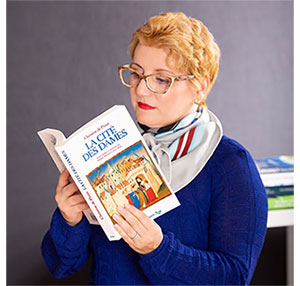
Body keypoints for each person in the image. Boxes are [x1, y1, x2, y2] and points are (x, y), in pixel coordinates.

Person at [41, 12, 268, 285]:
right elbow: (63, 265)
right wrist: (70, 219)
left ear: (200, 87)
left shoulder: (230, 164)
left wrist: (158, 249)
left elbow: (234, 277)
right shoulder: (115, 153)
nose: (141, 90)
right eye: (137, 74)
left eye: (161, 79)